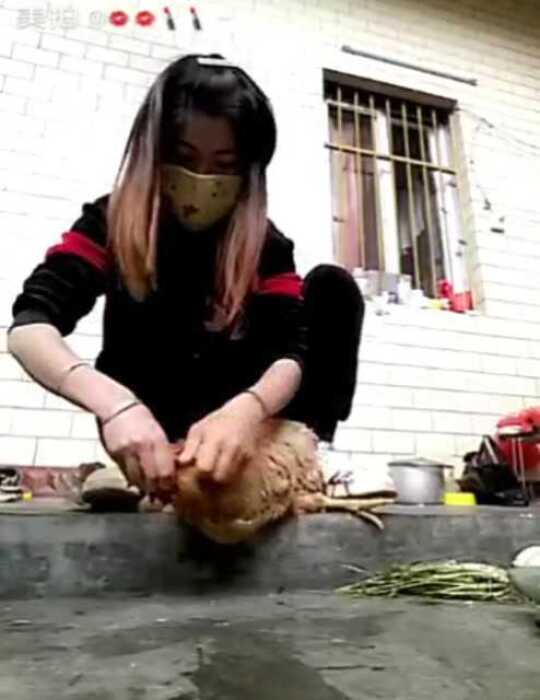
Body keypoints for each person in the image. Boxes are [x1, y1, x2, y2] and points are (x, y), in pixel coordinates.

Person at [8, 54, 364, 500]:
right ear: (155, 153)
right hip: (149, 422)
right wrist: (116, 408)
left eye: (224, 164)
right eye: (183, 158)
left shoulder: (266, 245)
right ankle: (151, 474)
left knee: (333, 288)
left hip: (244, 423)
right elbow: (29, 328)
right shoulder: (111, 221)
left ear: (247, 172)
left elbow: (290, 356)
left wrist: (246, 412)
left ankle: (307, 455)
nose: (202, 178)